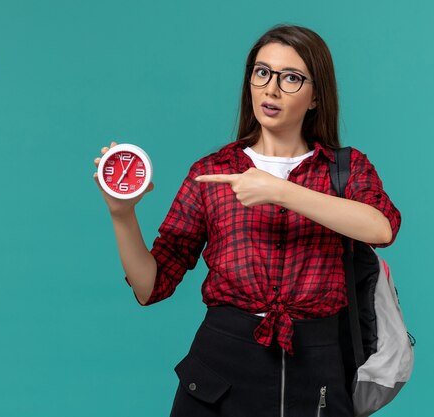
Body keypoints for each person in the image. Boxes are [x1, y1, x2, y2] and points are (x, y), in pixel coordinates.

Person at [92, 24, 401, 417]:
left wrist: (278, 190)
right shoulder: (213, 172)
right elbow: (151, 285)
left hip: (316, 373)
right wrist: (123, 214)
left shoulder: (345, 168)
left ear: (315, 97)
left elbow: (381, 227)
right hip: (220, 372)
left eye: (291, 78)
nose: (271, 89)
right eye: (262, 72)